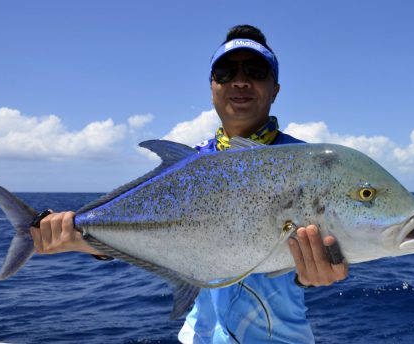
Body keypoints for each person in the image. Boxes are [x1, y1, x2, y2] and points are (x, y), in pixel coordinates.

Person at [30, 25, 348, 343]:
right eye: (225, 72)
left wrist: (319, 273)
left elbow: (328, 244)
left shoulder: (306, 165)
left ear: (275, 89)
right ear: (212, 87)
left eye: (256, 71)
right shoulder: (189, 165)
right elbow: (154, 233)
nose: (240, 81)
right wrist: (77, 239)